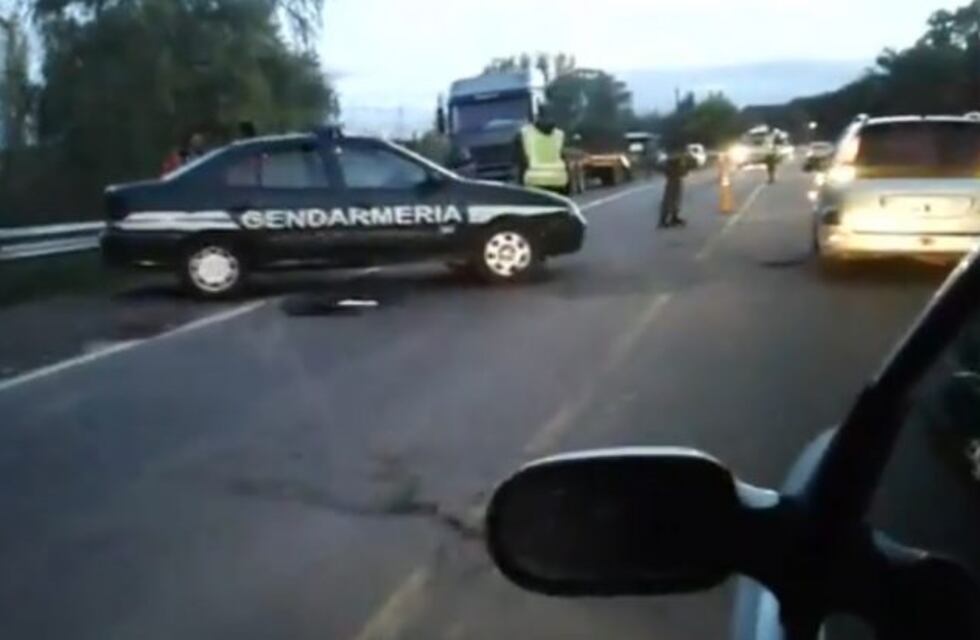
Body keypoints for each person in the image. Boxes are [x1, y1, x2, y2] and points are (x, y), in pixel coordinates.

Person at [514, 104, 569, 194]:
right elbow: (564, 159)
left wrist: (520, 185)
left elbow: (520, 162)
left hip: (534, 181)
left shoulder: (524, 134)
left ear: (537, 116)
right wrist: (567, 186)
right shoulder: (560, 134)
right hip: (558, 179)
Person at [658, 142, 690, 228]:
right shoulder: (672, 159)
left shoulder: (677, 158)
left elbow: (684, 171)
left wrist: (683, 169)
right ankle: (663, 220)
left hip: (676, 179)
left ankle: (673, 218)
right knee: (669, 200)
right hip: (672, 180)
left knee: (676, 199)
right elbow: (668, 169)